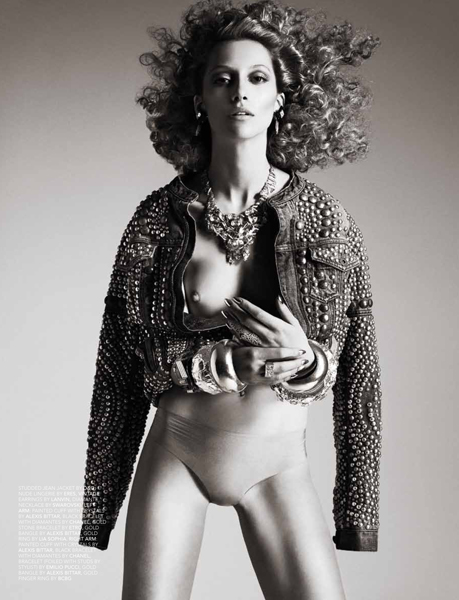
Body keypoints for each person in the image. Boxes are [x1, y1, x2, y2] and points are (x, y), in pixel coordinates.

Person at [78, 1, 382, 598]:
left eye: (257, 78)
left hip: (278, 462)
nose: (240, 92)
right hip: (177, 451)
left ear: (281, 98)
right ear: (198, 97)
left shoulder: (326, 219)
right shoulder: (156, 219)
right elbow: (118, 369)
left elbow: (359, 374)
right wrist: (98, 509)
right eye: (223, 78)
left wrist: (309, 363)